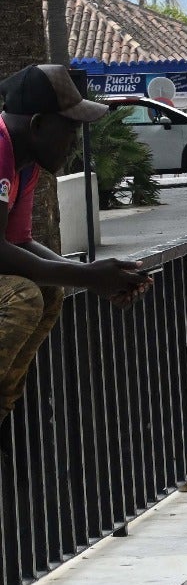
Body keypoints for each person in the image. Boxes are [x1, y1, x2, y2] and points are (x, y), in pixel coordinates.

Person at [0, 65, 151, 418]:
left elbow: (19, 242)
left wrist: (92, 276)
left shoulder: (25, 162)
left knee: (51, 290)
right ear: (38, 125)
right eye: (70, 130)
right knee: (22, 296)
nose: (74, 144)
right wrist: (88, 276)